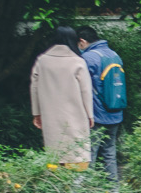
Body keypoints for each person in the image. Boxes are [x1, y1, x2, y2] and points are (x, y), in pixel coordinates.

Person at [29, 26, 94, 168]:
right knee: (77, 152)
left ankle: (55, 183)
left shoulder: (42, 60)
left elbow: (34, 87)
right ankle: (75, 186)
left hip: (50, 115)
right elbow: (86, 91)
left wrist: (36, 113)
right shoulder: (77, 61)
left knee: (54, 151)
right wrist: (90, 115)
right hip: (76, 115)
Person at [75, 25, 125, 181]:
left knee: (89, 152)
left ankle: (83, 191)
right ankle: (113, 188)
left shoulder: (88, 58)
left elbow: (80, 86)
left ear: (82, 41)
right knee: (110, 151)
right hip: (115, 111)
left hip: (97, 114)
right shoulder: (114, 55)